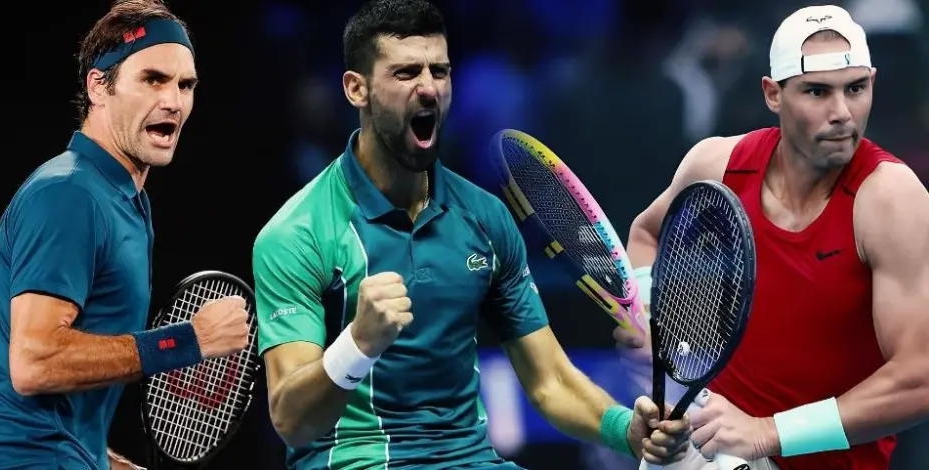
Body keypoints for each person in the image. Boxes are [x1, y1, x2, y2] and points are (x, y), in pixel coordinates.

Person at [252, 1, 692, 469]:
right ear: (356, 89)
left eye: (439, 71)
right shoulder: (297, 234)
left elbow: (550, 381)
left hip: (472, 459)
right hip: (358, 461)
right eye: (405, 73)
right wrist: (357, 344)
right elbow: (291, 420)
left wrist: (626, 429)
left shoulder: (485, 218)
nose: (429, 88)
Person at [618, 5, 929, 470]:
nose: (842, 113)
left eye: (855, 88)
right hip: (714, 449)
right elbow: (647, 233)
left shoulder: (891, 199)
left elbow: (920, 378)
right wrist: (648, 323)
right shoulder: (717, 164)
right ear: (773, 94)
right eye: (817, 91)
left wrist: (768, 433)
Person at [0, 1, 250, 469]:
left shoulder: (117, 198)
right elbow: (32, 362)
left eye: (185, 85)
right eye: (153, 79)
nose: (173, 101)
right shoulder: (70, 195)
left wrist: (99, 457)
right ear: (99, 87)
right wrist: (189, 340)